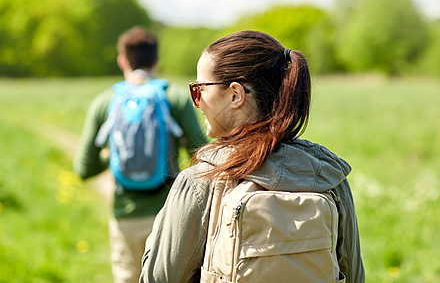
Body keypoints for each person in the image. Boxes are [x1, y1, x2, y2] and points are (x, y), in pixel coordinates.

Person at [139, 30, 365, 283]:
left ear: (235, 94)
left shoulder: (201, 181)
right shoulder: (328, 177)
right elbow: (354, 276)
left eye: (199, 89)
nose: (198, 102)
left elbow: (158, 278)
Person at [74, 26, 207, 283]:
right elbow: (202, 153)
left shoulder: (105, 102)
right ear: (157, 60)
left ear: (122, 60)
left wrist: (114, 155)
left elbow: (83, 168)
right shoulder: (175, 98)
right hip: (172, 215)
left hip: (126, 216)